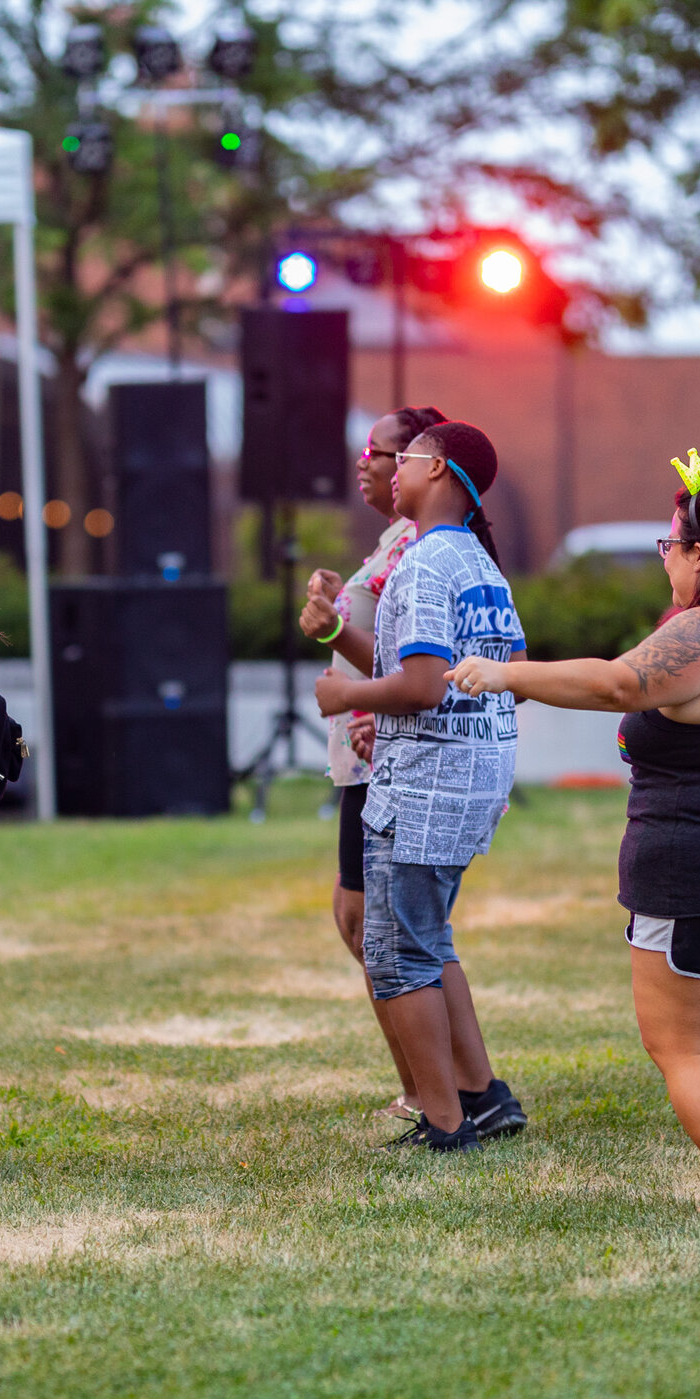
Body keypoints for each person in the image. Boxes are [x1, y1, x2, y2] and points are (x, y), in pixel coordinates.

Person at [455, 452, 700, 1215]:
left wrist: (505, 674)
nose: (665, 560)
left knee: (683, 1046)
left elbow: (616, 682)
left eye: (669, 546)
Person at [312, 420, 527, 1152]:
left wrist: (347, 696)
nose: (389, 469)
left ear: (435, 469)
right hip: (469, 779)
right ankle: (474, 1102)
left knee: (398, 956)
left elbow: (425, 685)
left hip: (424, 787)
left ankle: (444, 1122)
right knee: (426, 942)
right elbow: (503, 672)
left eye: (401, 458)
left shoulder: (425, 562)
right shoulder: (477, 561)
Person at [298, 404, 453, 1123]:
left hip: (383, 754)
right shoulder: (396, 540)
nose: (366, 464)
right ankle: (431, 1085)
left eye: (380, 453)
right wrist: (333, 605)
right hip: (365, 757)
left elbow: (417, 659)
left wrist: (366, 702)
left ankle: (436, 1090)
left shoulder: (423, 548)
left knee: (383, 929)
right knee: (368, 924)